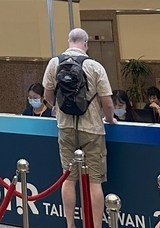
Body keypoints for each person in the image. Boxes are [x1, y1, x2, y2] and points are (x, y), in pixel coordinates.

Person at [43, 29, 114, 228]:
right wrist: (110, 119)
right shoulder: (95, 66)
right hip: (92, 129)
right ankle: (95, 226)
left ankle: (70, 225)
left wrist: (58, 109)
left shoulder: (54, 63)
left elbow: (47, 96)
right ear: (86, 43)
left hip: (65, 127)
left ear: (69, 41)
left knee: (68, 178)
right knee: (94, 182)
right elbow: (107, 103)